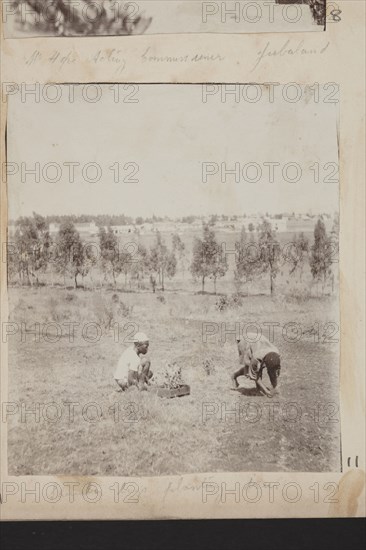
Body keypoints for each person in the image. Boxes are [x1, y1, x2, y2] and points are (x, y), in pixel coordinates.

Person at [231, 333, 281, 398]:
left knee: (260, 368)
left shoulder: (276, 353)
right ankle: (234, 376)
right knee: (250, 371)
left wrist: (275, 387)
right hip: (245, 341)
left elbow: (275, 370)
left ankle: (259, 389)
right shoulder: (256, 358)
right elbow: (255, 376)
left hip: (258, 341)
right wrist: (266, 391)